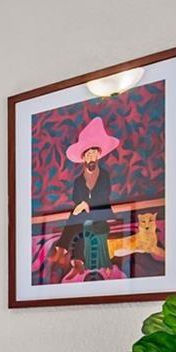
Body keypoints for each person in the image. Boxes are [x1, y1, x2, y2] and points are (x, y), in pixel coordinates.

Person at [54, 116, 123, 274]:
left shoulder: (104, 175)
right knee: (78, 220)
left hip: (100, 211)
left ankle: (63, 248)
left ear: (98, 155)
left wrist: (87, 205)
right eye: (88, 154)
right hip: (84, 213)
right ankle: (76, 260)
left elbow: (103, 195)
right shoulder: (79, 180)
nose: (91, 157)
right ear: (83, 158)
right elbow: (76, 198)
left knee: (79, 218)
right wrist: (81, 204)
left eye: (94, 153)